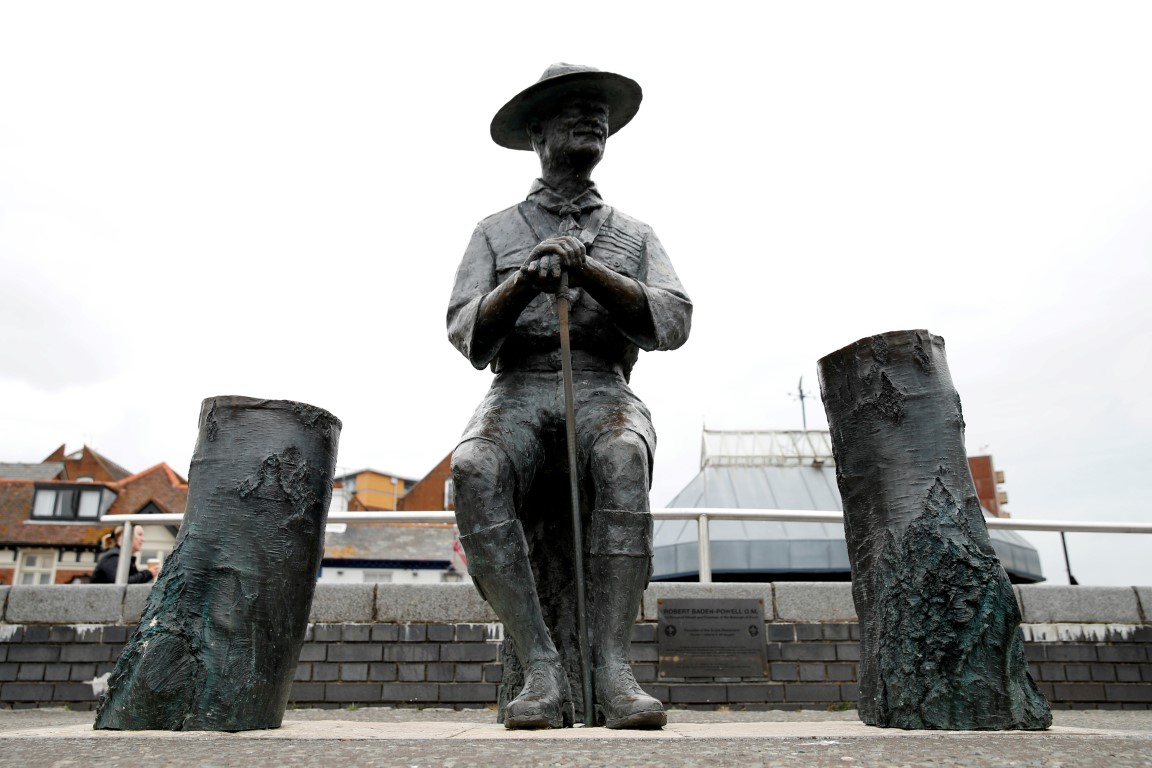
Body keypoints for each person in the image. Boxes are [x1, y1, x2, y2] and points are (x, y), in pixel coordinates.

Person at [448, 63, 691, 730]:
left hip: (601, 383)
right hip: (518, 387)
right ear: (536, 131)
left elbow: (672, 321)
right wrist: (524, 282)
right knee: (473, 468)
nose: (593, 117)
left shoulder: (633, 233)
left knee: (621, 457)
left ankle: (614, 670)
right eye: (573, 108)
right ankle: (542, 667)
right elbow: (467, 333)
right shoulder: (494, 231)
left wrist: (593, 271)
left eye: (599, 109)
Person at [90, 526, 158, 584]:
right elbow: (122, 584)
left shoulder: (122, 557)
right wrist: (149, 573)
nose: (143, 539)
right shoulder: (113, 557)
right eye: (139, 534)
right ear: (125, 535)